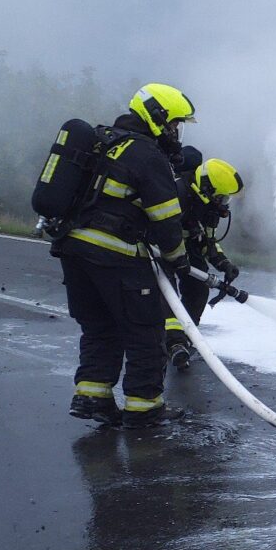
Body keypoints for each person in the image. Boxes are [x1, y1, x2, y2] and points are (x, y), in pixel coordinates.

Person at [54, 83, 194, 427]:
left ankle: (92, 398)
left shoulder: (105, 141)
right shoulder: (148, 155)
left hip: (73, 250)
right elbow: (165, 219)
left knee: (100, 328)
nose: (176, 133)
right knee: (145, 332)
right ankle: (144, 408)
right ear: (158, 118)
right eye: (175, 124)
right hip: (116, 255)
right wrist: (178, 258)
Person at [165, 156, 245, 370]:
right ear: (208, 187)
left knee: (198, 290)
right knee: (167, 293)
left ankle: (186, 337)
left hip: (185, 249)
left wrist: (223, 263)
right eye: (222, 197)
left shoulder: (208, 207)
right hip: (160, 249)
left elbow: (207, 242)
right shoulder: (177, 193)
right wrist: (175, 256)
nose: (224, 203)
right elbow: (161, 229)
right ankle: (173, 342)